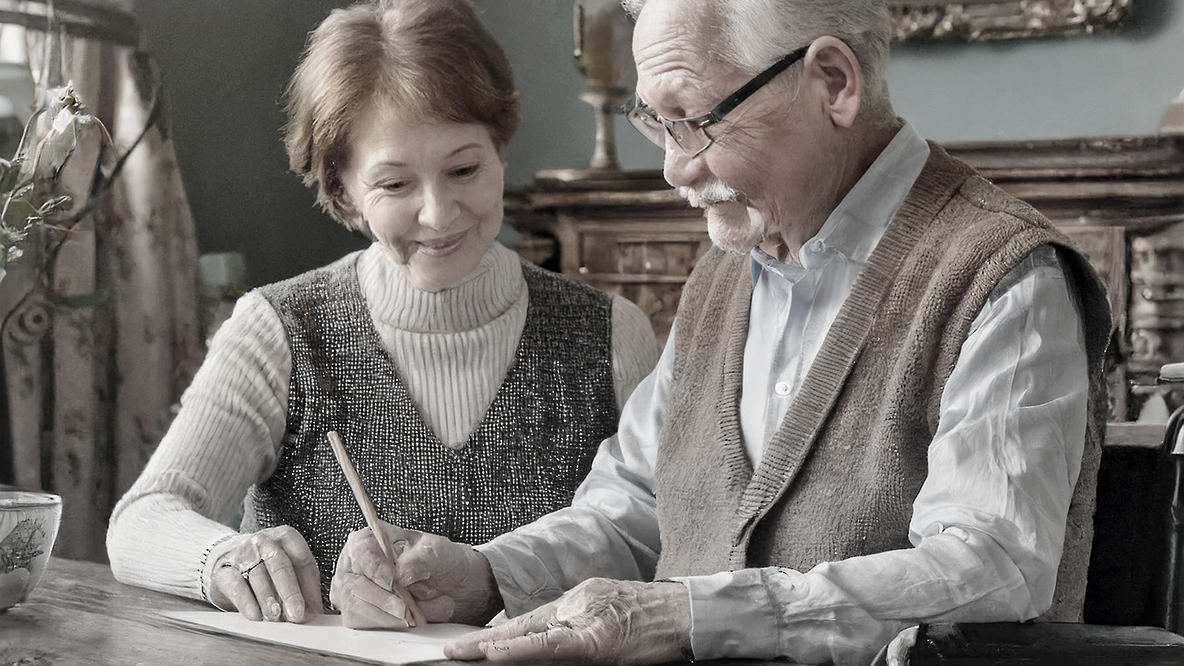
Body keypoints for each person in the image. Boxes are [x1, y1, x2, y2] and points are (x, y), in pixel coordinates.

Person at [328, 0, 1113, 663]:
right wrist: (483, 573)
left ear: (833, 83)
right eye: (655, 124)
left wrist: (686, 616)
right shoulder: (724, 273)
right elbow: (633, 505)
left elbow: (992, 567)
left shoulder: (1004, 275)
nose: (673, 167)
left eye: (693, 121)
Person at [105, 0, 659, 626]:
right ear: (343, 188)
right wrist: (226, 557)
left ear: (502, 150)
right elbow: (143, 517)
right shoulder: (279, 329)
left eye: (464, 168)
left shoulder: (612, 333)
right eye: (395, 185)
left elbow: (660, 537)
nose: (439, 213)